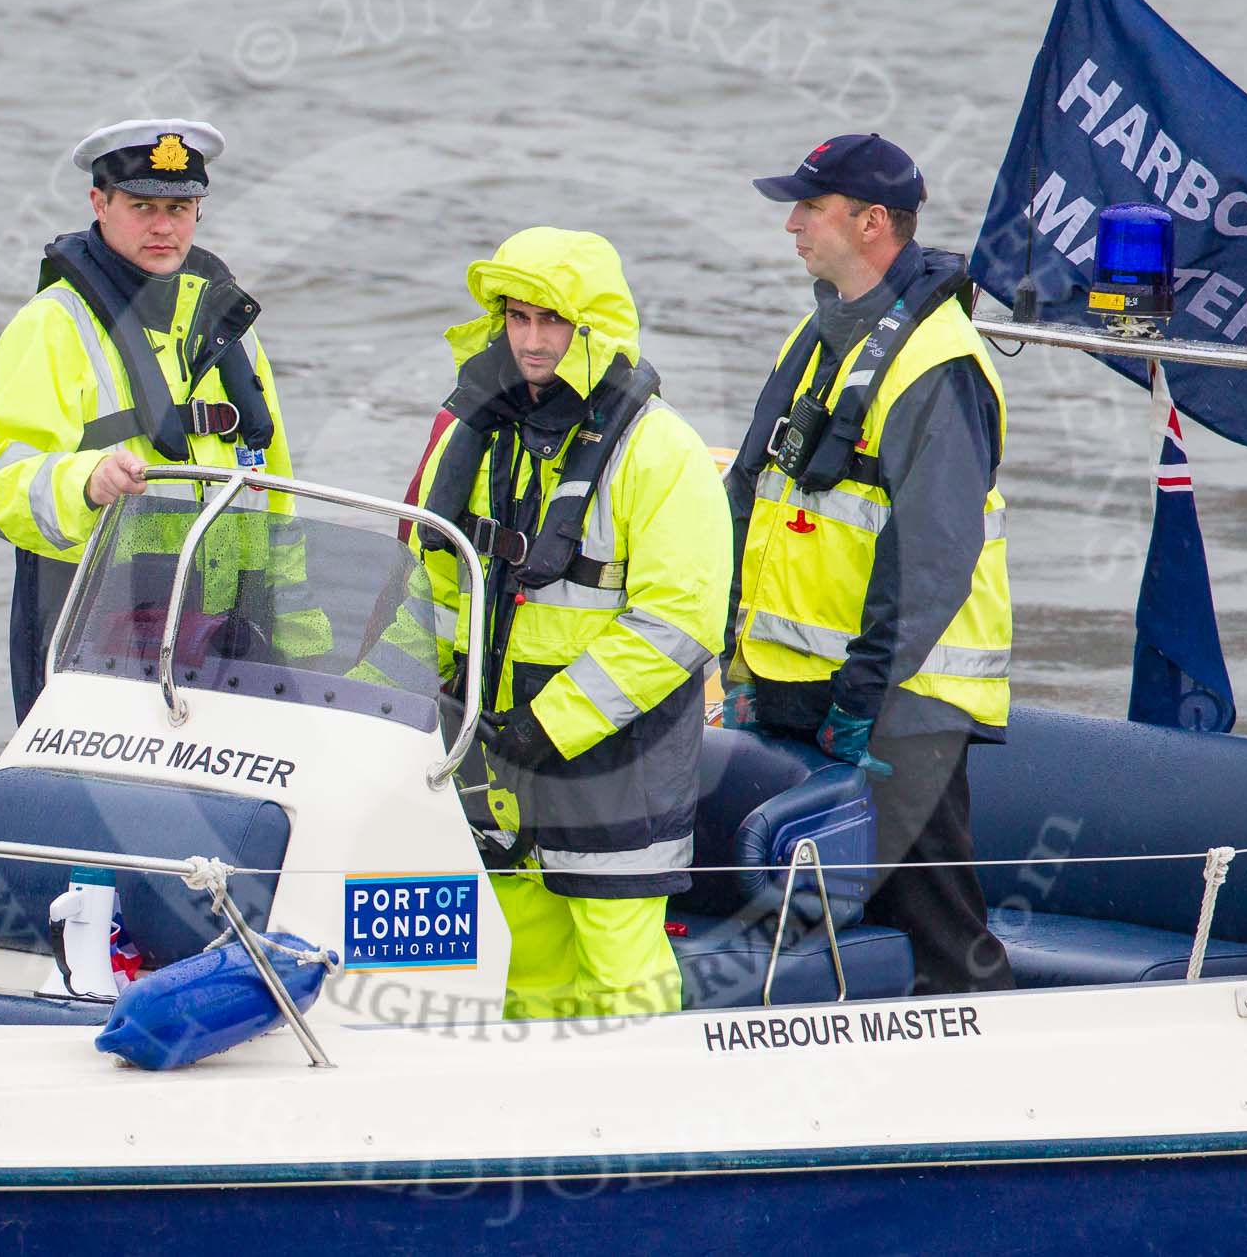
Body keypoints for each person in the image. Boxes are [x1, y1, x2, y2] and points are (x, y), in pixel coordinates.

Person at [724, 133, 1015, 996]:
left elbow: (932, 562)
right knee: (811, 934)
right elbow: (750, 494)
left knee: (938, 939)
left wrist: (863, 700)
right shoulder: (818, 333)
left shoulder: (940, 365)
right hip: (798, 687)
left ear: (873, 223)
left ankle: (995, 1104)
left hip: (900, 706)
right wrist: (737, 659)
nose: (792, 226)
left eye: (811, 208)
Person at [413, 227, 730, 1020]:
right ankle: (534, 1129)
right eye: (517, 318)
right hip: (496, 747)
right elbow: (437, 581)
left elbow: (679, 621)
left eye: (550, 321)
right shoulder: (480, 435)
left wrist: (553, 721)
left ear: (591, 328)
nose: (530, 339)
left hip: (615, 755)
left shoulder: (661, 450)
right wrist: (426, 693)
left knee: (621, 967)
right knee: (524, 968)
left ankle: (653, 1139)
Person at [0, 119, 300, 719]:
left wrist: (300, 649)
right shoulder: (52, 324)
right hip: (94, 636)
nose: (163, 226)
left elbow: (277, 500)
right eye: (142, 205)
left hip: (228, 639)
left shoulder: (232, 327)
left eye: (180, 206)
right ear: (101, 203)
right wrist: (85, 482)